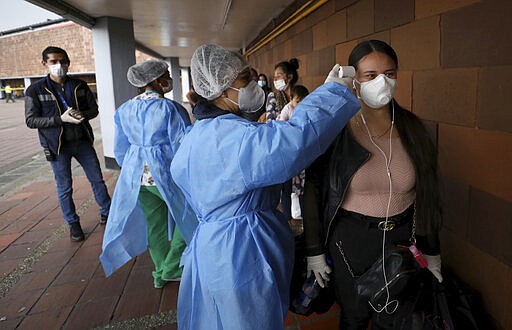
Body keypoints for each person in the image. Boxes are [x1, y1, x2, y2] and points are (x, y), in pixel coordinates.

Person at [170, 44, 360, 330]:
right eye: (244, 80)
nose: (254, 85)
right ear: (222, 91)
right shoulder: (234, 139)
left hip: (212, 248)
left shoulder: (194, 137)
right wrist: (331, 93)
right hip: (241, 253)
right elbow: (292, 142)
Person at [303, 39, 443, 329]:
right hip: (350, 242)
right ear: (355, 79)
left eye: (390, 74)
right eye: (371, 75)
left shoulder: (413, 130)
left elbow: (428, 194)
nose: (383, 82)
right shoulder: (336, 130)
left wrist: (431, 251)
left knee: (395, 317)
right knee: (354, 315)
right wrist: (314, 250)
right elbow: (314, 190)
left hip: (402, 240)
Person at [100, 60, 198, 288]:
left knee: (155, 227)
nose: (168, 80)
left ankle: (159, 272)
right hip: (165, 175)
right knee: (190, 216)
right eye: (165, 75)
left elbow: (120, 149)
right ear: (155, 80)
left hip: (136, 179)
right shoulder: (170, 109)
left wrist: (132, 172)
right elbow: (182, 145)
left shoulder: (124, 110)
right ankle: (171, 268)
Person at [25, 46, 111, 242]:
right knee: (64, 187)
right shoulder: (35, 90)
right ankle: (73, 223)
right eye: (54, 62)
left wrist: (83, 115)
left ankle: (107, 212)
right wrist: (60, 119)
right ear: (44, 64)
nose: (59, 65)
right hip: (57, 146)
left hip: (82, 141)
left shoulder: (79, 85)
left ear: (68, 62)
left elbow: (94, 109)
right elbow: (31, 121)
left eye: (63, 61)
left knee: (97, 179)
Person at [265, 58, 299, 122]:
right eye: (274, 77)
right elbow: (270, 123)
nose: (275, 79)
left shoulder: (300, 94)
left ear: (289, 77)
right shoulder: (273, 96)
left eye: (278, 76)